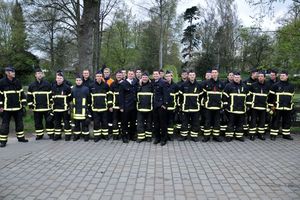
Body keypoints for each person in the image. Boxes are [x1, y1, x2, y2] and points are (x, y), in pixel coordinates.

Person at [0, 66, 28, 147]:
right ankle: (3, 141)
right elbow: (0, 96)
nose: (14, 73)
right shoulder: (2, 82)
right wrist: (0, 106)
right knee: (5, 125)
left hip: (17, 108)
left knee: (19, 124)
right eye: (12, 72)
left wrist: (23, 105)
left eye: (14, 72)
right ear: (7, 73)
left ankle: (21, 138)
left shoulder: (17, 81)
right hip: (6, 108)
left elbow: (22, 94)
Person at [27, 68, 53, 140]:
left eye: (41, 73)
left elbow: (51, 95)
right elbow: (29, 96)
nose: (40, 75)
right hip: (37, 107)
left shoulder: (47, 84)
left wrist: (51, 104)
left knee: (49, 121)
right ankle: (39, 134)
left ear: (43, 75)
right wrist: (30, 105)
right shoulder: (32, 85)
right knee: (38, 122)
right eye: (38, 73)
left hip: (47, 107)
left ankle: (50, 134)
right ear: (35, 75)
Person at [223, 72, 249, 142]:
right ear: (233, 78)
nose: (237, 79)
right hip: (231, 110)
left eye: (238, 77)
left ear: (240, 78)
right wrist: (226, 106)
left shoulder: (245, 86)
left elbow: (248, 97)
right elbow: (224, 97)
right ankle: (229, 136)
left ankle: (239, 136)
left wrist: (247, 106)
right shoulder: (228, 86)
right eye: (235, 77)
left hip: (241, 110)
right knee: (230, 123)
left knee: (240, 124)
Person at [269, 70, 294, 140]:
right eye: (281, 76)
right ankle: (273, 135)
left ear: (287, 76)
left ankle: (286, 135)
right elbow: (270, 97)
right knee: (275, 121)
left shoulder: (291, 86)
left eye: (283, 76)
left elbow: (292, 96)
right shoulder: (275, 85)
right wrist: (272, 107)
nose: (282, 77)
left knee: (287, 121)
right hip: (277, 107)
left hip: (287, 107)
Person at [179, 70, 202, 142]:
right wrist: (181, 105)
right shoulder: (183, 85)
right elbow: (180, 97)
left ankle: (194, 136)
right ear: (188, 76)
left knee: (195, 123)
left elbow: (201, 97)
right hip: (185, 108)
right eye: (190, 75)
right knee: (184, 122)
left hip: (195, 108)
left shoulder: (199, 85)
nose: (192, 76)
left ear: (195, 76)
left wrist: (198, 104)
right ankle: (184, 136)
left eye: (193, 75)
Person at [202, 68, 225, 142]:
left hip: (218, 107)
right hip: (208, 106)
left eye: (215, 72)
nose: (214, 74)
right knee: (207, 122)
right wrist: (204, 103)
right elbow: (203, 95)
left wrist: (222, 104)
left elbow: (224, 96)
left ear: (218, 74)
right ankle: (206, 136)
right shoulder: (206, 83)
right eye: (213, 72)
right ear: (211, 74)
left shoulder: (221, 83)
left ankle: (216, 136)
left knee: (217, 122)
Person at [247, 71, 270, 140]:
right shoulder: (253, 85)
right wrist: (250, 105)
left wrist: (268, 107)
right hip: (254, 107)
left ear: (264, 78)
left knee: (262, 121)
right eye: (259, 76)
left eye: (262, 76)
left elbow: (269, 97)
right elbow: (249, 96)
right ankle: (252, 134)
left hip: (263, 107)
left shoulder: (267, 86)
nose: (260, 77)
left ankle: (261, 134)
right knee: (253, 121)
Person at [90, 70, 112, 142]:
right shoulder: (92, 86)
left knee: (104, 122)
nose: (99, 77)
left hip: (104, 108)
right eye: (97, 76)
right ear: (95, 77)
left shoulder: (106, 85)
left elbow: (109, 96)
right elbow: (89, 98)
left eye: (100, 76)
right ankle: (97, 136)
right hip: (95, 108)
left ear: (102, 77)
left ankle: (105, 135)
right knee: (96, 123)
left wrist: (109, 105)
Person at [51, 72, 72, 141]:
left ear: (63, 79)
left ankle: (68, 135)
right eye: (58, 78)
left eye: (60, 78)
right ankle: (57, 135)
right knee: (57, 123)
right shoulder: (53, 87)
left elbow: (70, 98)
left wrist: (67, 105)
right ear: (56, 79)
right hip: (56, 109)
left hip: (65, 109)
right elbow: (51, 98)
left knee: (66, 123)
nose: (59, 79)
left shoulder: (67, 87)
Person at [119, 69, 137, 143]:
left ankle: (132, 135)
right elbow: (121, 96)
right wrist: (121, 107)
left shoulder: (136, 82)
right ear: (127, 74)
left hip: (134, 106)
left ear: (134, 75)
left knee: (133, 122)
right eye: (129, 74)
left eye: (132, 74)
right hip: (126, 106)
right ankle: (124, 136)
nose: (130, 75)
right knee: (125, 122)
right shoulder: (123, 83)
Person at [71, 74, 91, 141]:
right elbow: (70, 99)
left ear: (82, 81)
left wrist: (88, 110)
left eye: (79, 80)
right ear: (75, 81)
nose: (78, 81)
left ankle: (86, 136)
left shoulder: (86, 89)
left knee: (85, 125)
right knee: (76, 125)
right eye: (77, 80)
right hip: (75, 110)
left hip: (84, 111)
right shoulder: (73, 89)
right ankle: (77, 136)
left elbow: (89, 100)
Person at [152, 69, 169, 146]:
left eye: (157, 74)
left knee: (163, 123)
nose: (155, 75)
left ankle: (164, 139)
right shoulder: (152, 82)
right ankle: (157, 138)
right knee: (156, 123)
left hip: (161, 106)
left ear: (160, 75)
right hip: (155, 105)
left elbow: (166, 94)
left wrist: (165, 104)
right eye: (154, 74)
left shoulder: (163, 82)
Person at [136, 72, 153, 143]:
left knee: (149, 123)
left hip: (149, 108)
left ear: (148, 78)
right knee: (140, 123)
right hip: (140, 108)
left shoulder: (151, 85)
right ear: (141, 78)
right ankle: (141, 137)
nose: (144, 78)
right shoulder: (138, 85)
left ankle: (148, 137)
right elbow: (135, 94)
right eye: (143, 77)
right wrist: (139, 86)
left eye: (146, 77)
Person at [165, 71, 179, 141]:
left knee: (171, 122)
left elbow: (177, 97)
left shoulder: (175, 86)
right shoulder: (163, 84)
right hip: (164, 108)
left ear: (171, 76)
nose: (168, 77)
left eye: (169, 76)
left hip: (172, 107)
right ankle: (165, 135)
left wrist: (176, 107)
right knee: (165, 121)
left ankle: (170, 136)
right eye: (166, 76)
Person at [110, 71, 123, 140]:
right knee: (115, 121)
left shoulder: (124, 83)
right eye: (117, 75)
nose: (119, 76)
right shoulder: (112, 84)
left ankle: (121, 134)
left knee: (123, 121)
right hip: (114, 107)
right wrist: (110, 105)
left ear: (122, 76)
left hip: (122, 107)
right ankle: (115, 135)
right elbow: (110, 95)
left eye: (120, 75)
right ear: (115, 76)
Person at [175, 69, 188, 134]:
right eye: (183, 74)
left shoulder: (189, 83)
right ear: (181, 75)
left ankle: (187, 130)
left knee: (187, 119)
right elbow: (176, 95)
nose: (184, 75)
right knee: (179, 118)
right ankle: (178, 131)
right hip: (180, 104)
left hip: (188, 104)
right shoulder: (178, 84)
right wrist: (178, 104)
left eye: (185, 74)